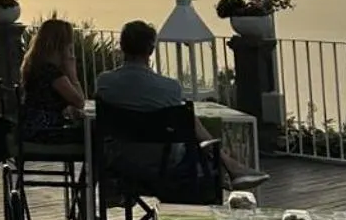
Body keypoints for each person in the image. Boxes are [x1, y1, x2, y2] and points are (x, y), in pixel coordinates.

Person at [95, 20, 264, 187]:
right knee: (190, 121)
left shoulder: (105, 83)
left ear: (122, 47)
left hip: (121, 161)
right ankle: (230, 167)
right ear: (151, 50)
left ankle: (230, 167)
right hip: (166, 164)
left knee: (188, 118)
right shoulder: (170, 88)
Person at [18, 17, 85, 142]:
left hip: (30, 127)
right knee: (92, 134)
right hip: (45, 131)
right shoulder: (52, 73)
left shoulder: (34, 66)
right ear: (62, 45)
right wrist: (72, 74)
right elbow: (80, 102)